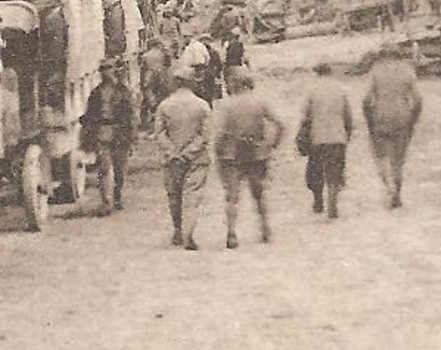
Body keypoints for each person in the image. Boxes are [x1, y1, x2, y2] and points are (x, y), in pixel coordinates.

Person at [209, 65, 285, 249]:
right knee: (259, 194)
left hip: (232, 155)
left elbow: (221, 133)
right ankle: (265, 228)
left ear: (234, 84)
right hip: (257, 154)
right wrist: (272, 144)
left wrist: (217, 151)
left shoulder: (226, 105)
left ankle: (232, 233)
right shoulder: (260, 102)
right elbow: (280, 124)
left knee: (232, 196)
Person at [149, 65, 213, 250]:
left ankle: (177, 230)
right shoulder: (202, 105)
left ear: (176, 83)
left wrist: (172, 151)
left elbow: (159, 133)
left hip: (172, 160)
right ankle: (188, 233)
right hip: (196, 159)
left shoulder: (165, 105)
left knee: (174, 196)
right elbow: (205, 134)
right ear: (192, 82)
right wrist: (189, 152)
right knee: (192, 197)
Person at [363, 49, 423, 209]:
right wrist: (413, 119)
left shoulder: (376, 72)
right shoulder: (408, 71)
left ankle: (389, 187)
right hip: (403, 116)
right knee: (398, 161)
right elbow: (418, 100)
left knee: (381, 157)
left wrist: (369, 120)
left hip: (381, 116)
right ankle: (397, 193)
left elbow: (366, 100)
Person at [300, 61, 355, 219]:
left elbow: (305, 116)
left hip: (317, 137)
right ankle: (332, 204)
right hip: (337, 136)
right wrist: (347, 134)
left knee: (315, 171)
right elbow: (348, 116)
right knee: (334, 171)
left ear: (317, 73)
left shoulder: (312, 90)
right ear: (330, 72)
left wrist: (303, 134)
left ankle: (318, 200)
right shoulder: (340, 89)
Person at [81, 62, 135, 215]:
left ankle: (117, 196)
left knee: (119, 168)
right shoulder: (96, 93)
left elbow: (131, 115)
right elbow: (90, 114)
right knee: (104, 167)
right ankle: (106, 202)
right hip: (102, 131)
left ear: (115, 71)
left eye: (109, 69)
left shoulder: (123, 91)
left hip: (120, 132)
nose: (107, 73)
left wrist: (131, 137)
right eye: (103, 70)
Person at [179, 35, 214, 103]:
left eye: (185, 37)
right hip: (203, 68)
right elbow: (207, 57)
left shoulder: (188, 48)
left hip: (194, 69)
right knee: (206, 89)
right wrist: (205, 65)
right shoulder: (201, 45)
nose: (183, 40)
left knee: (196, 90)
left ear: (188, 37)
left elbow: (186, 62)